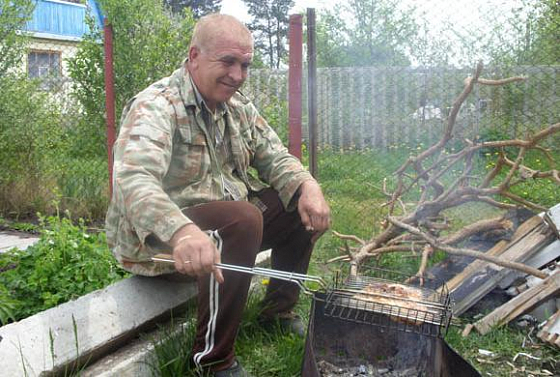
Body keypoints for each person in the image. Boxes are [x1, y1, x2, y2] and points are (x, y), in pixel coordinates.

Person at [105, 13, 330, 377]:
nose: (238, 75)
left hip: (221, 230)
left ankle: (278, 311)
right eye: (227, 62)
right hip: (161, 243)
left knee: (292, 203)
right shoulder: (158, 106)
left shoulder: (237, 107)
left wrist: (309, 186)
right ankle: (211, 360)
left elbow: (275, 157)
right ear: (194, 56)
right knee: (242, 218)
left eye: (245, 65)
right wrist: (182, 231)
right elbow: (134, 178)